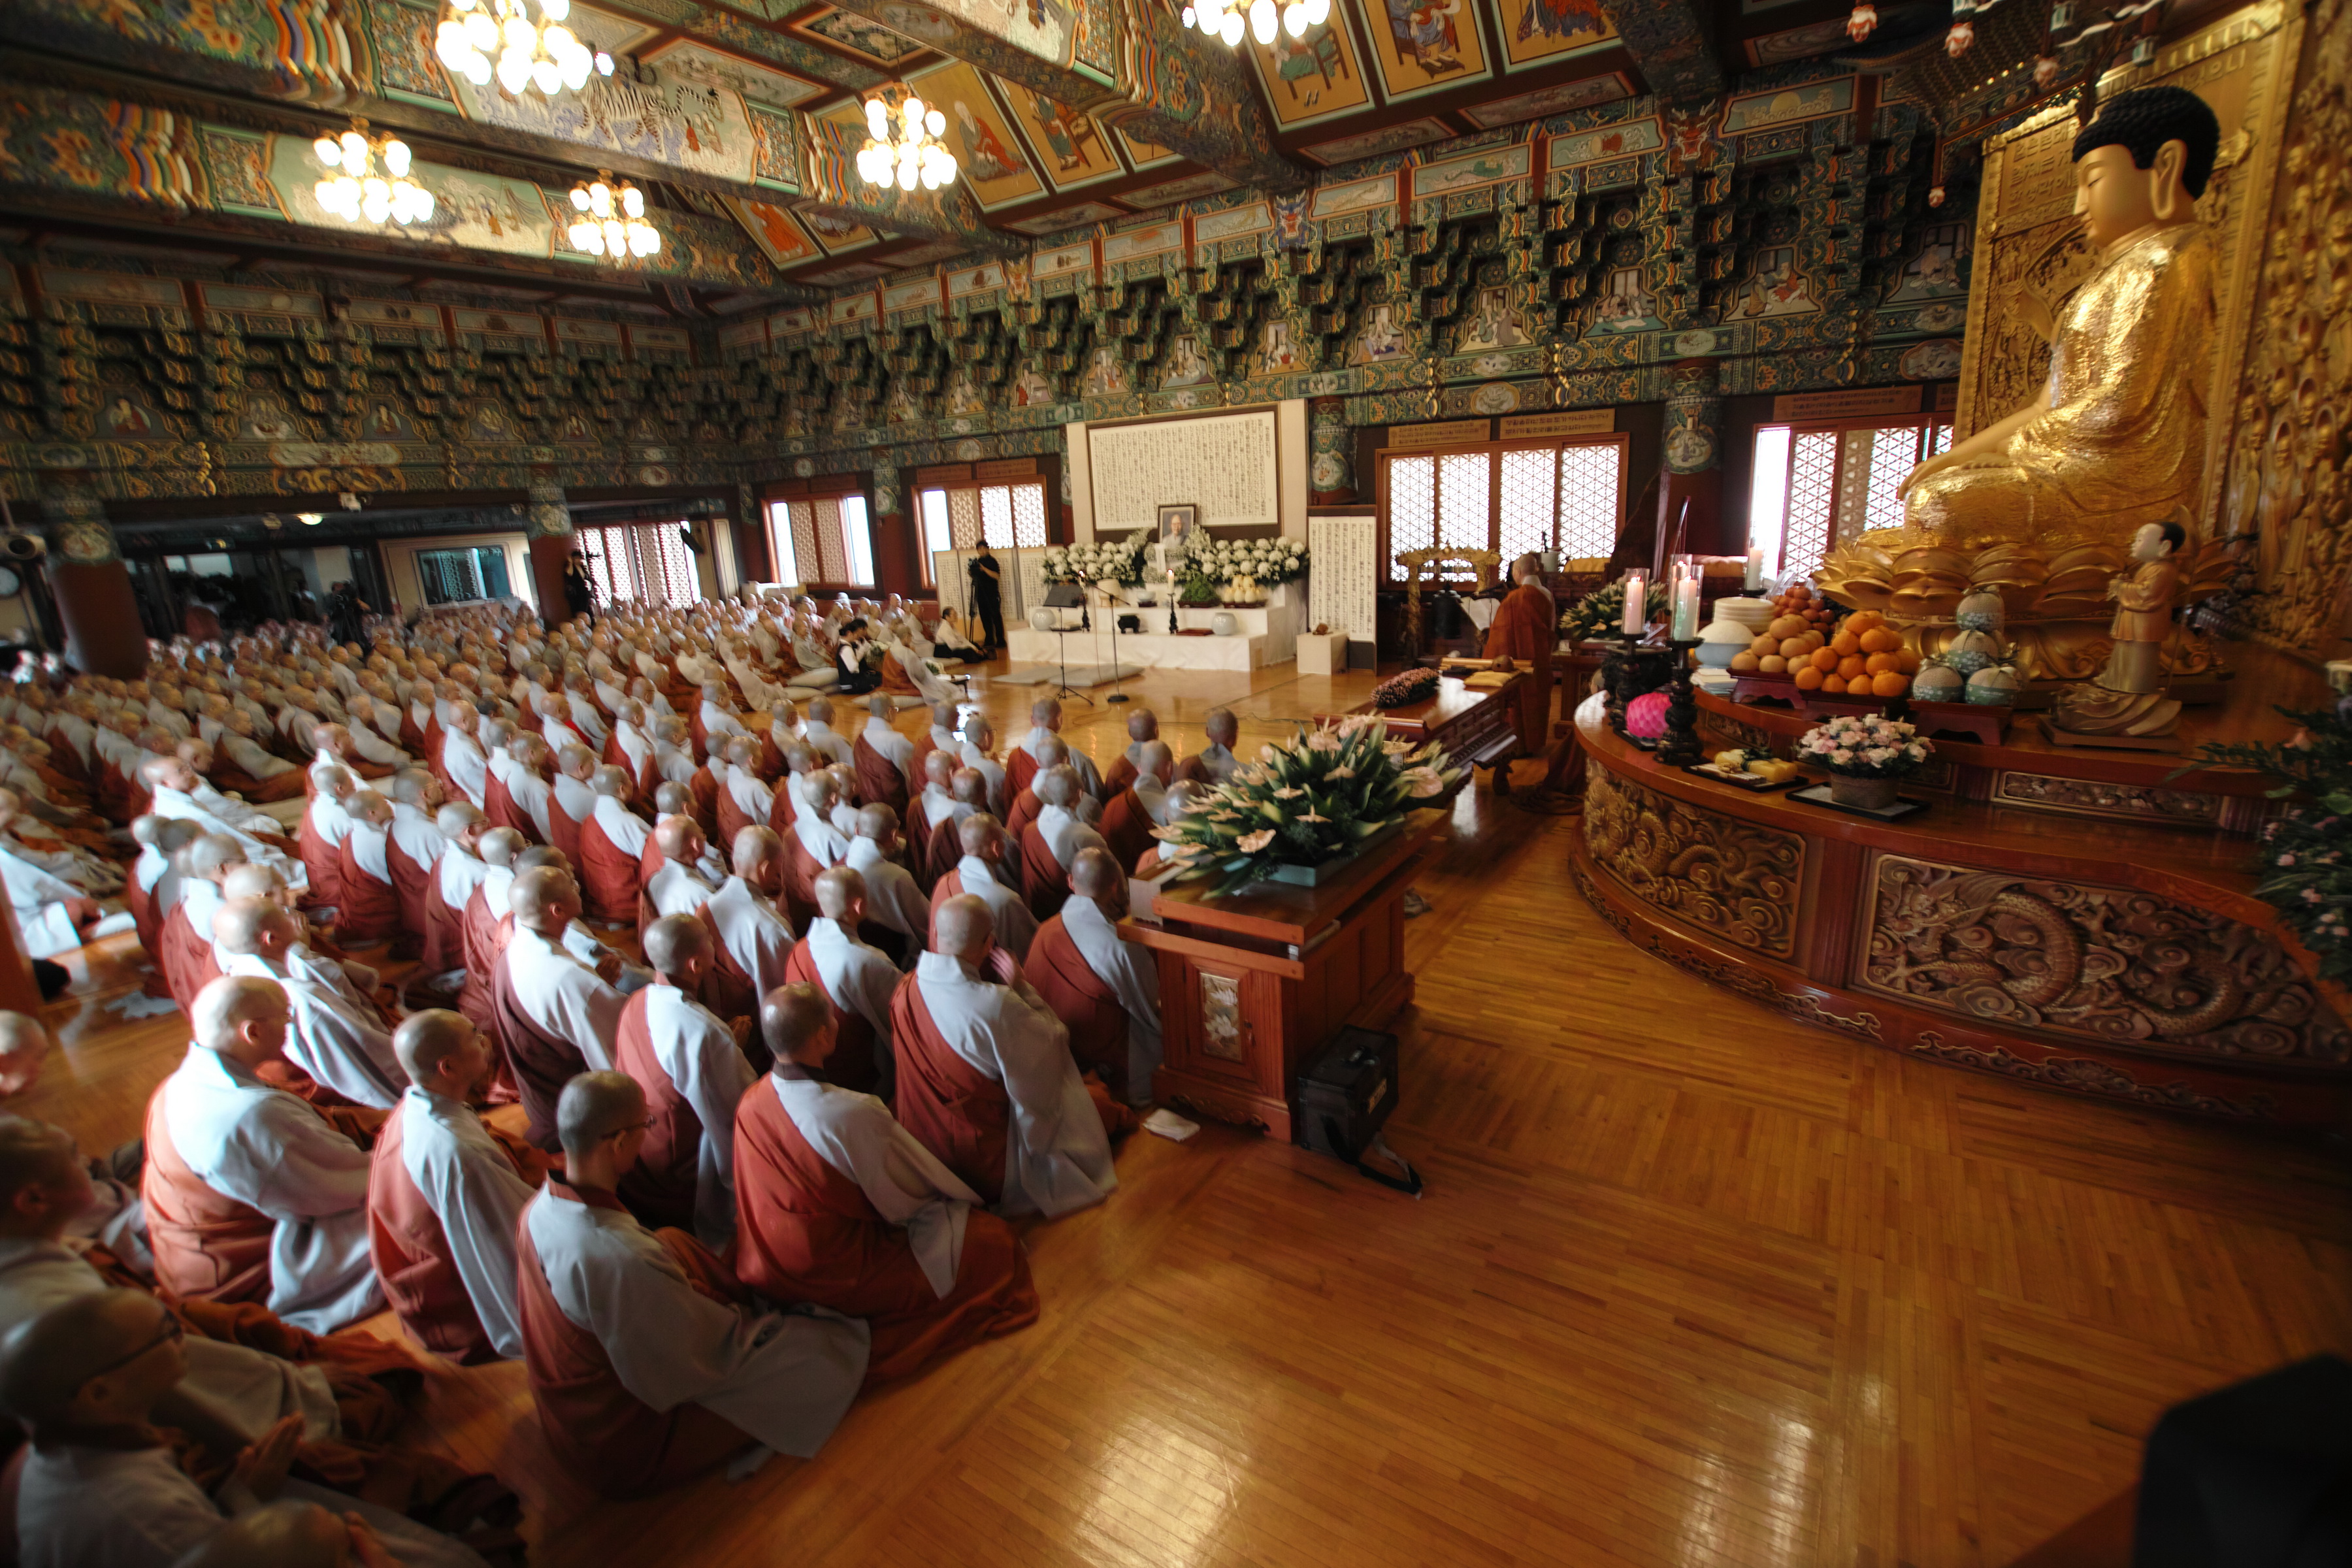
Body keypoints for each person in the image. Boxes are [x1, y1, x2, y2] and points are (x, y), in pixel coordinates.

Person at [513, 1071, 868, 1495]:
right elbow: (698, 1361)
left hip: (570, 1407)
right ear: (619, 1143)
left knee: (672, 1241)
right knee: (818, 1354)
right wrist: (746, 1323)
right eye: (645, 1124)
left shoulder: (538, 1208)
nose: (648, 1132)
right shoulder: (617, 1256)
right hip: (622, 1435)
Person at [1, 1290, 493, 1568]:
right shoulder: (138, 1514)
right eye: (167, 1335)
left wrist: (242, 1493)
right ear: (99, 1393)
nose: (183, 1339)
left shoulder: (74, 1445)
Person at [730, 983, 1039, 1380]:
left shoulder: (750, 1102)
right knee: (991, 1245)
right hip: (833, 1269)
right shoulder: (849, 1113)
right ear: (823, 1036)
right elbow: (909, 1196)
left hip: (768, 1263)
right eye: (831, 1019)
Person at [142, 977, 384, 1333]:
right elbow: (345, 1188)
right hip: (240, 1271)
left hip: (185, 1257)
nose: (291, 1026)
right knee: (418, 1202)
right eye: (285, 1018)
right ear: (252, 1032)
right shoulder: (249, 1114)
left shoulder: (175, 1085)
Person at [893, 894, 1124, 1217]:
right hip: (985, 1158)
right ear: (989, 943)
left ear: (935, 933)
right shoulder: (996, 1003)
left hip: (924, 1151)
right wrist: (1022, 988)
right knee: (1099, 1106)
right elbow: (1054, 1041)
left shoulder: (905, 989)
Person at [368, 1011, 547, 1364]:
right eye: (474, 1036)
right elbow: (506, 1240)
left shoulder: (415, 1103)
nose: (484, 1039)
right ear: (447, 1067)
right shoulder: (459, 1153)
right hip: (457, 1291)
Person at [611, 916, 757, 1248]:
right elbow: (734, 1115)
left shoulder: (637, 1001)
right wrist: (727, 1050)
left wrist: (723, 1049)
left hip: (644, 1153)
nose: (714, 945)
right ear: (696, 964)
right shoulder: (703, 1031)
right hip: (682, 1172)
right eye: (710, 941)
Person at [493, 865, 626, 1151]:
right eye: (571, 886)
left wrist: (596, 986)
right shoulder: (568, 977)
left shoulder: (514, 950)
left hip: (541, 1099)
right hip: (577, 1107)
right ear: (557, 910)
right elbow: (617, 1050)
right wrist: (595, 991)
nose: (578, 886)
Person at [1026, 847, 1162, 1106]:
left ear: (1070, 882)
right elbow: (1148, 1005)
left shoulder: (1044, 932)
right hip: (1103, 1057)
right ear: (1114, 886)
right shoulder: (1121, 947)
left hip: (1053, 1049)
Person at [783, 866, 900, 1099]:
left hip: (811, 1073)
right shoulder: (865, 960)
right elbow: (903, 1011)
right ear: (859, 906)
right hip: (860, 1080)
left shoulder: (798, 950)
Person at [966, 546, 1005, 655]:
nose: (982, 551)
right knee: (985, 617)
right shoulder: (978, 562)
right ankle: (989, 640)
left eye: (983, 549)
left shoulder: (992, 561)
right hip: (981, 594)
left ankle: (1001, 640)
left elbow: (996, 576)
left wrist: (984, 569)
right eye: (979, 549)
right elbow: (976, 576)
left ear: (987, 549)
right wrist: (972, 572)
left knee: (996, 617)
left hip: (992, 594)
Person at [562, 549, 597, 623]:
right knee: (580, 609)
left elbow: (585, 577)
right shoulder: (570, 567)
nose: (577, 560)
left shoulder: (581, 567)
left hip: (583, 590)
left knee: (588, 609)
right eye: (576, 558)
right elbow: (569, 574)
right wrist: (570, 563)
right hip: (576, 592)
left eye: (578, 558)